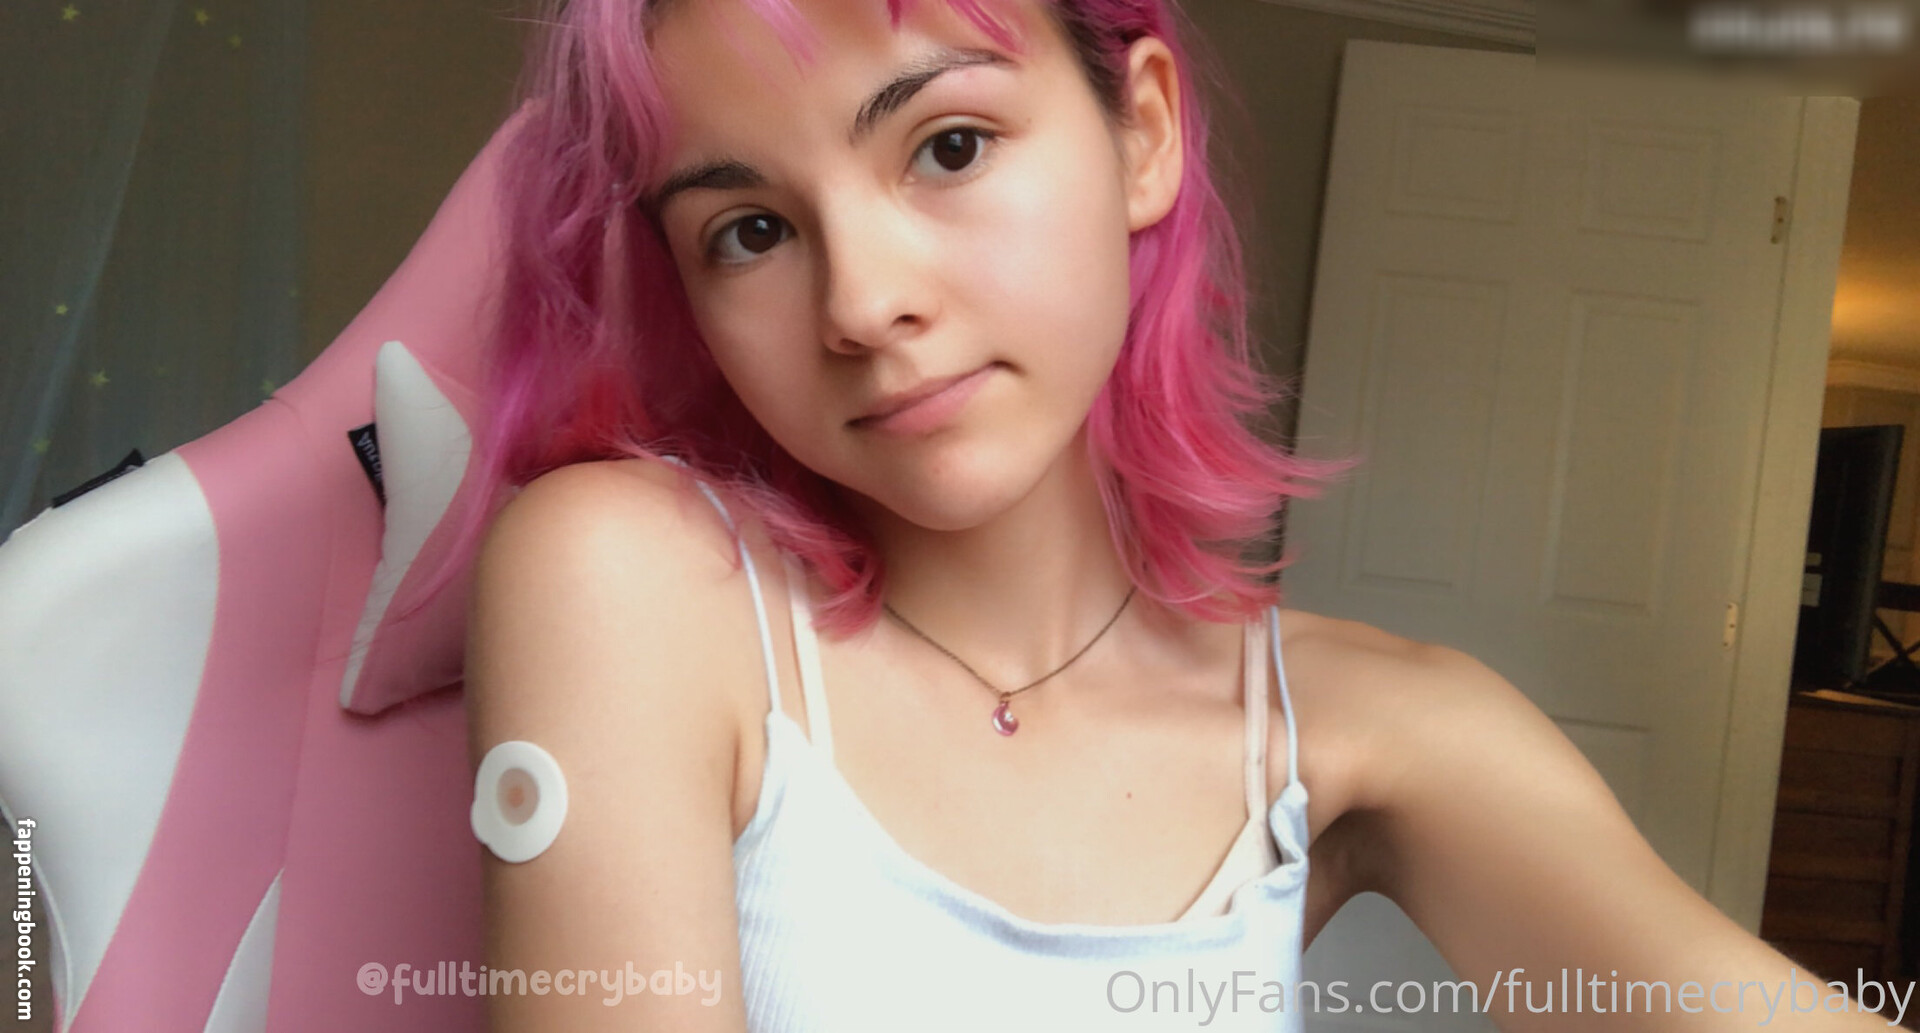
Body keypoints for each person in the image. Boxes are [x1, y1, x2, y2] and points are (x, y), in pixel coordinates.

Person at [455, 0, 1895, 1028]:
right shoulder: (629, 585)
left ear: (1142, 132)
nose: (863, 301)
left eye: (948, 146)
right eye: (751, 231)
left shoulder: (1369, 727)